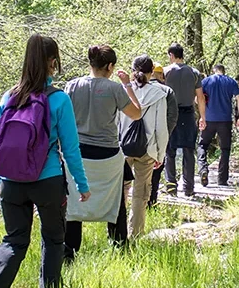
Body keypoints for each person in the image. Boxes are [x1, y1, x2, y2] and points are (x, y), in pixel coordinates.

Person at [0, 34, 90, 288]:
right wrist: (82, 185)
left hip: (11, 181)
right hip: (47, 181)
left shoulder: (8, 97)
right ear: (52, 61)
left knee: (14, 241)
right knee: (53, 241)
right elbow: (71, 149)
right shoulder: (59, 99)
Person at [63, 45, 141, 261]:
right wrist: (127, 85)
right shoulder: (115, 88)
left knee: (73, 201)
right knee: (116, 201)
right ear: (110, 66)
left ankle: (69, 251)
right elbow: (136, 113)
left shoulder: (71, 86)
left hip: (76, 154)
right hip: (107, 154)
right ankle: (119, 246)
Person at [118, 55, 170, 236]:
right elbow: (161, 129)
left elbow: (116, 122)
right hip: (147, 149)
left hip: (123, 148)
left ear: (133, 71)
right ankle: (136, 234)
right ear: (151, 73)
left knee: (121, 191)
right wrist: (160, 155)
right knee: (141, 194)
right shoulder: (159, 95)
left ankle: (119, 234)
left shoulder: (123, 91)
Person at [163, 44, 206, 197]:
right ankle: (188, 188)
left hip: (171, 113)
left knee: (170, 150)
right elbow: (200, 97)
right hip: (188, 113)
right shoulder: (194, 73)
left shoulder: (165, 72)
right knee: (189, 150)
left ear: (171, 55)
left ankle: (171, 186)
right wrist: (202, 117)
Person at [198, 65, 239, 186]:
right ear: (224, 71)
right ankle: (222, 179)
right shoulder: (230, 81)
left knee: (202, 145)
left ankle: (203, 168)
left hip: (209, 119)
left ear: (214, 70)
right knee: (225, 149)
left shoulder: (206, 81)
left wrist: (202, 116)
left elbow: (198, 99)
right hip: (225, 120)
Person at [147, 63, 178, 207]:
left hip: (138, 139)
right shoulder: (167, 91)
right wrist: (165, 135)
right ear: (160, 74)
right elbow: (172, 117)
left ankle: (139, 204)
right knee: (156, 169)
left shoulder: (135, 88)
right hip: (159, 136)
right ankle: (152, 201)